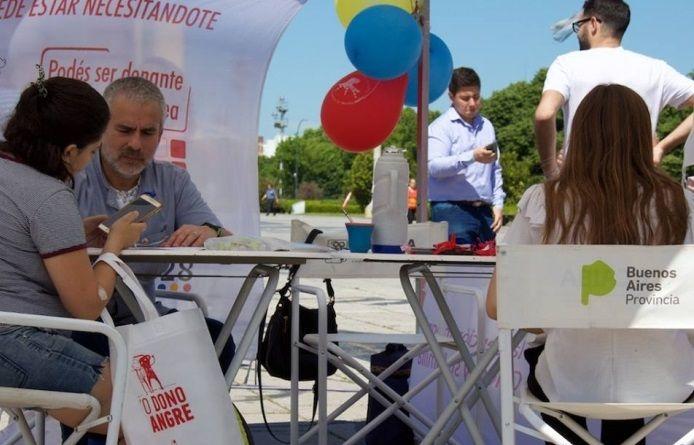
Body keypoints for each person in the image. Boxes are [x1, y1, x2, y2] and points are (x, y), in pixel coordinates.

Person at [488, 84, 694, 444]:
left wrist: (560, 318)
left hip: (567, 380)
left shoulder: (544, 201)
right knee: (632, 358)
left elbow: (497, 304)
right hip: (665, 381)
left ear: (579, 136)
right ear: (642, 136)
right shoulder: (680, 204)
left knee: (560, 355)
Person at [0, 74, 145, 440]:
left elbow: (14, 236)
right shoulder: (48, 196)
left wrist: (71, 234)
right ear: (68, 152)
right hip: (13, 340)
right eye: (92, 151)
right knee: (139, 412)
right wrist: (114, 247)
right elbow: (86, 306)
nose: (90, 160)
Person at [73, 77, 235, 366]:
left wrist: (207, 231)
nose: (135, 144)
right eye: (125, 130)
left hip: (144, 318)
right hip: (83, 320)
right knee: (91, 352)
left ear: (160, 135)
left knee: (216, 340)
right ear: (101, 130)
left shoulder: (173, 181)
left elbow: (224, 236)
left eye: (147, 132)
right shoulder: (73, 177)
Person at [536, 0, 694, 178]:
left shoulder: (566, 64)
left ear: (593, 24)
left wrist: (551, 173)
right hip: (637, 184)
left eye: (578, 26)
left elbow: (544, 114)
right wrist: (662, 147)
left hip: (580, 183)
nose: (577, 33)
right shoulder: (656, 69)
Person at [428, 67, 505, 244]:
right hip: (451, 210)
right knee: (458, 261)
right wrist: (472, 156)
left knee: (487, 262)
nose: (472, 103)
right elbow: (433, 168)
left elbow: (495, 169)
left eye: (476, 97)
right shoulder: (440, 127)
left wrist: (498, 203)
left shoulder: (487, 126)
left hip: (485, 212)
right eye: (465, 98)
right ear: (451, 96)